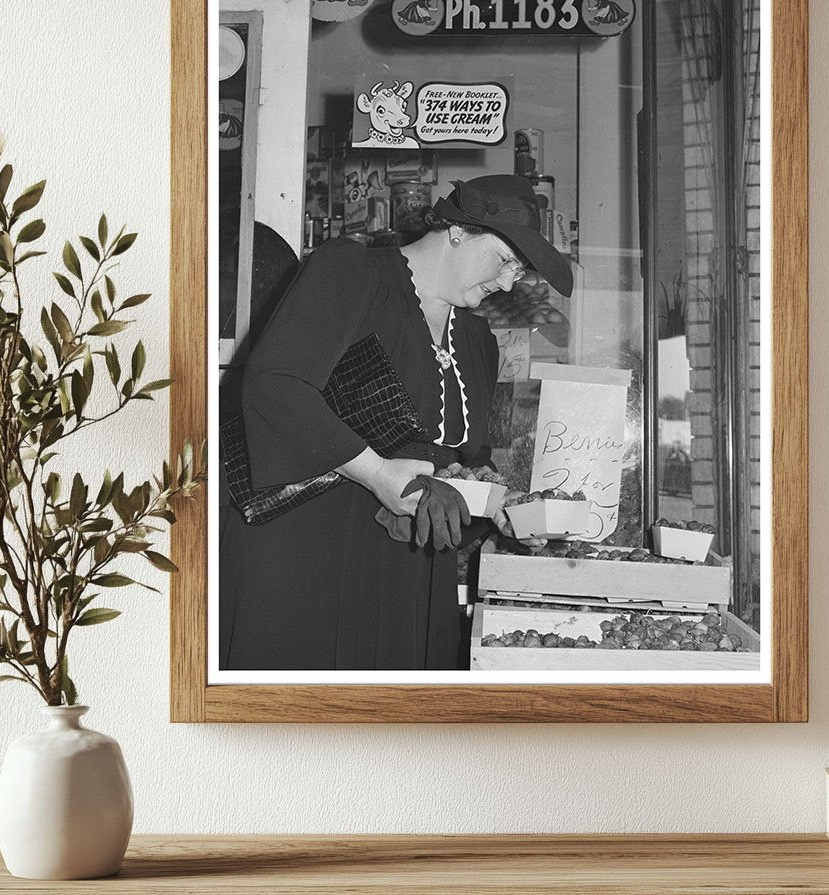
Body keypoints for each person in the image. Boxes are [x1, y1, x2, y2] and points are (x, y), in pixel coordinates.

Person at [219, 175, 573, 671]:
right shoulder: (353, 272)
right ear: (458, 230)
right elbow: (276, 384)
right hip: (305, 550)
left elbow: (467, 462)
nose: (509, 283)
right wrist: (378, 473)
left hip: (404, 564)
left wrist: (501, 506)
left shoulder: (477, 340)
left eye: (520, 269)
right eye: (505, 259)